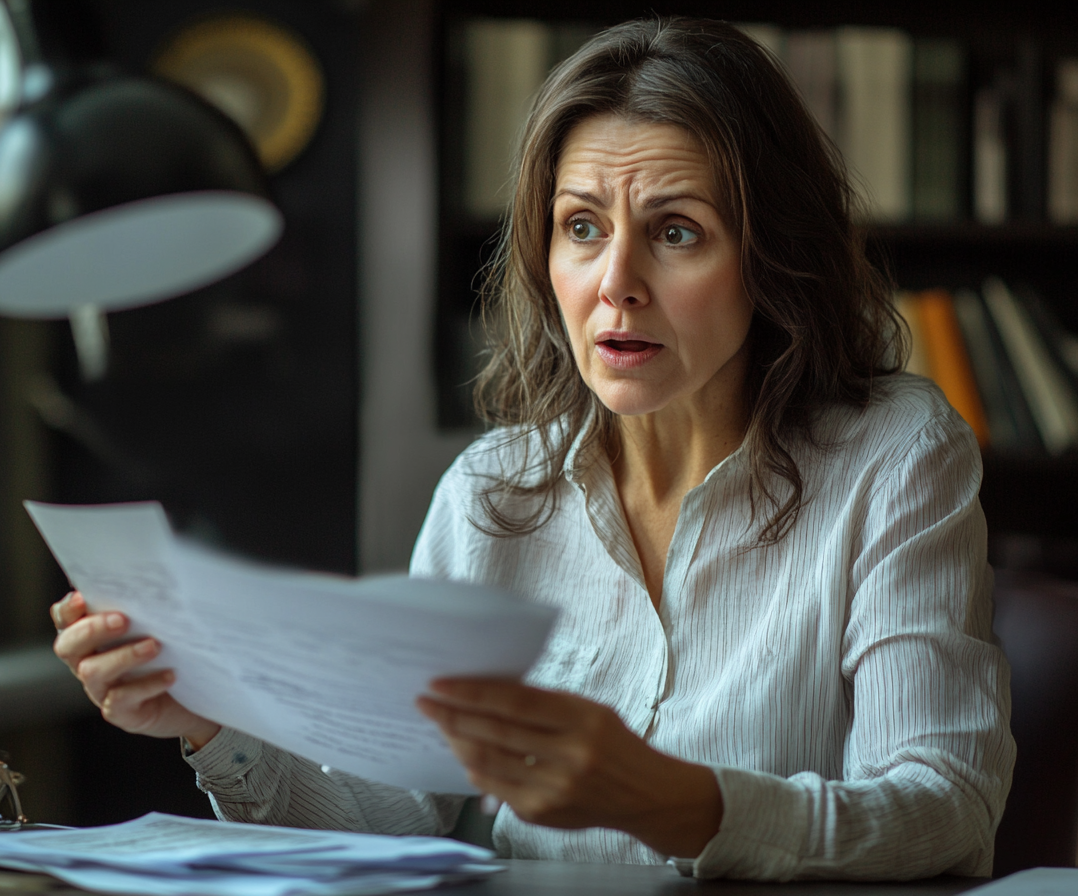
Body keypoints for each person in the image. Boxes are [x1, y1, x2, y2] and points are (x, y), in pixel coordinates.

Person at [51, 16, 1013, 881]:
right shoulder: (490, 492)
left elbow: (946, 809)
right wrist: (216, 719)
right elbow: (391, 819)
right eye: (582, 228)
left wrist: (668, 801)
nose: (616, 282)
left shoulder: (895, 455)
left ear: (772, 258)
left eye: (678, 232)